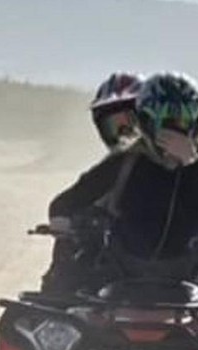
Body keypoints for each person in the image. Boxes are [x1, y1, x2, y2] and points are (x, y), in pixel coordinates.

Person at [46, 72, 198, 300]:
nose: (175, 131)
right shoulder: (125, 160)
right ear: (146, 121)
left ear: (197, 123)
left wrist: (191, 164)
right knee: (59, 301)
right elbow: (65, 202)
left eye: (183, 123)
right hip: (120, 269)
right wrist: (64, 221)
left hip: (188, 273)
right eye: (166, 122)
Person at [40, 71, 143, 294]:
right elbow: (64, 203)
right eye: (113, 126)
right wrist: (71, 228)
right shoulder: (113, 167)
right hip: (113, 261)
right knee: (57, 295)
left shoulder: (188, 165)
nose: (124, 134)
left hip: (180, 268)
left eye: (131, 123)